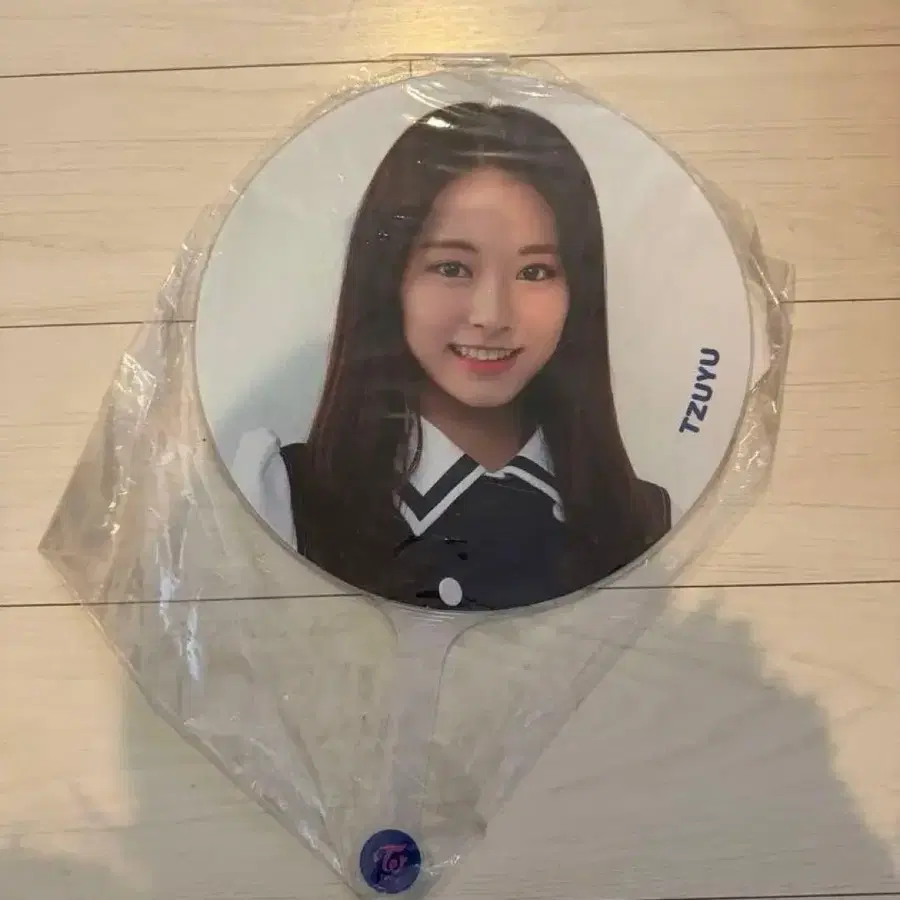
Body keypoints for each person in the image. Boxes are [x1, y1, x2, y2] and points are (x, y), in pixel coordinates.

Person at [232, 101, 672, 611]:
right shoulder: (282, 500)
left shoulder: (645, 519)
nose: (491, 315)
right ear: (389, 279)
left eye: (535, 272)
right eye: (452, 268)